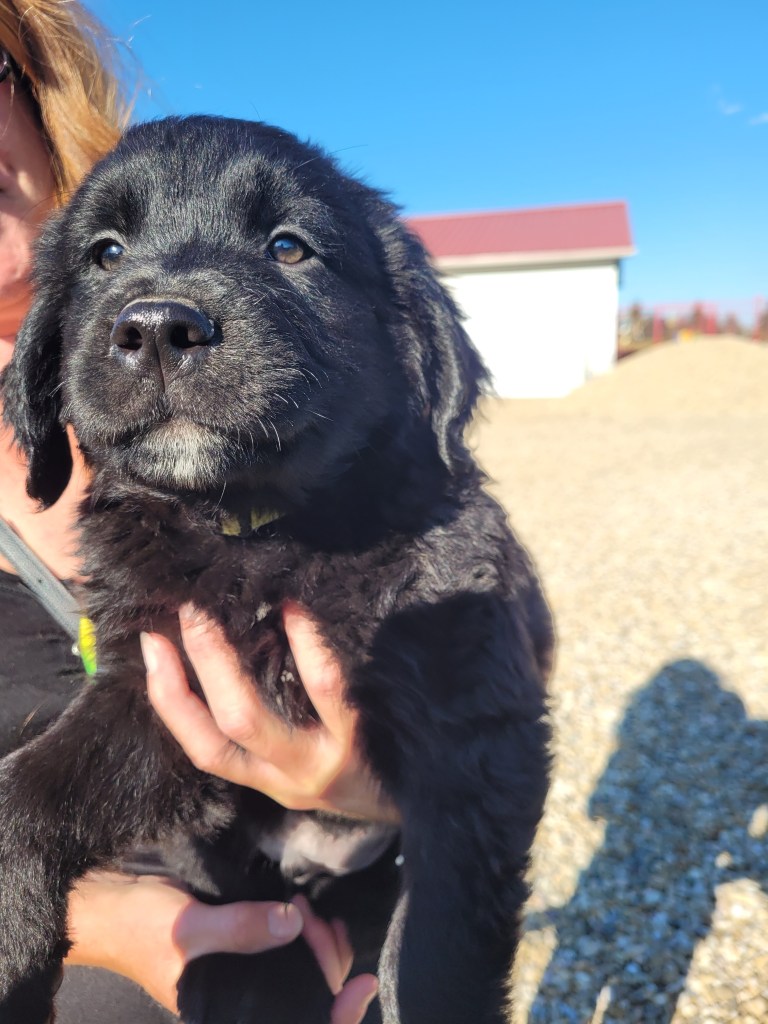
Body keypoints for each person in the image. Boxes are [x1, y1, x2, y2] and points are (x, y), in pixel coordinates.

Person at [0, 3, 390, 1020]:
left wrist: (381, 786)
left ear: (39, 88)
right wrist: (108, 927)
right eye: (109, 258)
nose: (158, 314)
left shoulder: (292, 382)